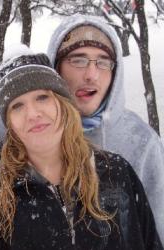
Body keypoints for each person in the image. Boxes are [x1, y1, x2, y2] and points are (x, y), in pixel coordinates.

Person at [0, 53, 162, 249]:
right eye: (17, 106)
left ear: (63, 105)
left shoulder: (116, 173)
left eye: (42, 97)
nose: (33, 114)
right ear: (9, 122)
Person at [46, 13, 164, 241]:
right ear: (56, 67)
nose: (91, 75)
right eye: (78, 60)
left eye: (103, 62)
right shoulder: (31, 132)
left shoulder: (141, 142)